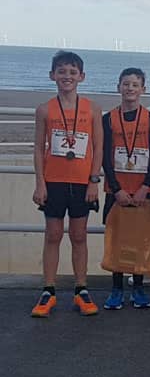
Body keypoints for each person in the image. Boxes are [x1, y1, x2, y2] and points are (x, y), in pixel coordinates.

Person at [31, 51, 103, 318]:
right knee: (52, 235)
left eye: (72, 72)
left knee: (79, 235)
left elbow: (99, 146)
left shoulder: (92, 109)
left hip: (83, 182)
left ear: (81, 77)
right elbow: (38, 148)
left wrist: (94, 180)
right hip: (54, 180)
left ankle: (81, 289)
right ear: (52, 75)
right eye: (61, 71)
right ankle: (48, 290)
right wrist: (40, 184)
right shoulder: (44, 109)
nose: (67, 76)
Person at [102, 67, 150, 310]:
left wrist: (146, 187)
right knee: (116, 239)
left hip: (141, 191)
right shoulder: (108, 119)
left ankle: (138, 287)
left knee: (139, 240)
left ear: (143, 90)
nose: (130, 89)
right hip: (116, 191)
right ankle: (116, 289)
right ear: (118, 87)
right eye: (125, 84)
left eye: (135, 85)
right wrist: (116, 188)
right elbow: (105, 156)